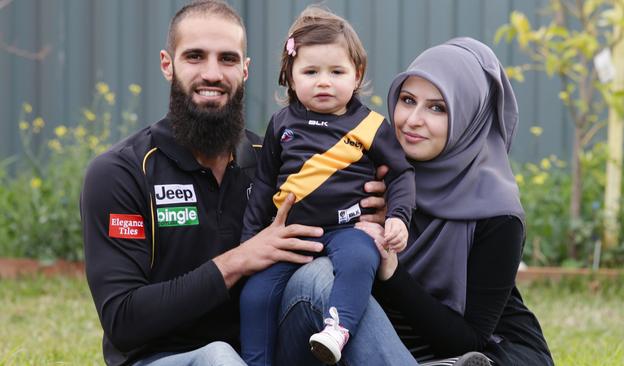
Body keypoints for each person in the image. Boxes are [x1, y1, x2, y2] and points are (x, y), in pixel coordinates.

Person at [80, 1, 400, 365]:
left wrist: (363, 212)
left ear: (245, 70)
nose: (213, 73)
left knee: (321, 278)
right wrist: (239, 260)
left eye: (228, 59)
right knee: (218, 357)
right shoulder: (121, 172)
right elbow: (123, 320)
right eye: (195, 57)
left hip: (264, 350)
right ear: (168, 65)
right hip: (163, 357)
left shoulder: (275, 159)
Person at [354, 37, 555, 365]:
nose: (412, 120)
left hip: (482, 350)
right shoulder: (374, 172)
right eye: (407, 100)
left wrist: (391, 269)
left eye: (438, 107)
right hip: (384, 344)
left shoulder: (498, 212)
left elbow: (469, 338)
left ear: (469, 116)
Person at [239, 6, 415, 365]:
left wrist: (398, 216)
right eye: (310, 71)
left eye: (337, 72)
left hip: (345, 229)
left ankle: (337, 328)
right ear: (289, 75)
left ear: (357, 75)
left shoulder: (371, 126)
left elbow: (400, 174)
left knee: (362, 257)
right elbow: (262, 187)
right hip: (290, 237)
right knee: (255, 295)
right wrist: (249, 243)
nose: (324, 81)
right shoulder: (281, 124)